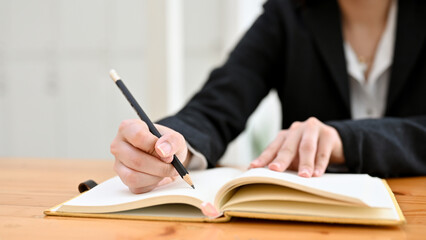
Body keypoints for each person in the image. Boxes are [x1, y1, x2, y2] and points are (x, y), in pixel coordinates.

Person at [110, 0, 426, 194]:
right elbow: (220, 101)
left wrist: (346, 140)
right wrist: (175, 143)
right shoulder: (286, 13)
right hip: (307, 219)